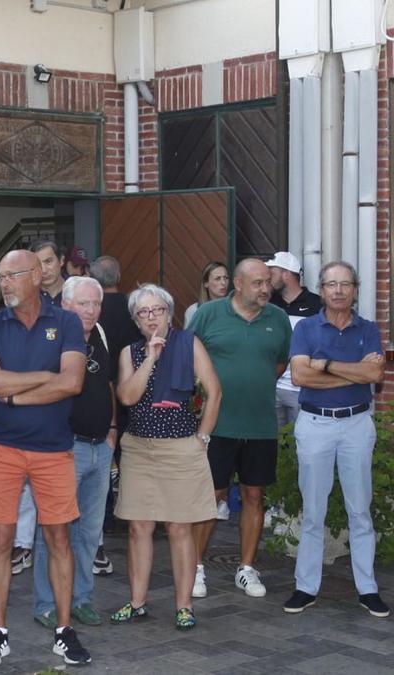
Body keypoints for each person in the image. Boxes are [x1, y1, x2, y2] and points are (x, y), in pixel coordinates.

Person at [0, 249, 90, 668]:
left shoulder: (67, 321)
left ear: (37, 275)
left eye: (12, 275)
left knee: (59, 539)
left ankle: (63, 631)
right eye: (0, 276)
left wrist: (13, 395)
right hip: (1, 447)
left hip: (54, 448)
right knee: (0, 539)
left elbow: (73, 382)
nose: (3, 283)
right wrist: (44, 377)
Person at [111, 283, 221, 630]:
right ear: (136, 321)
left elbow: (214, 392)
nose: (150, 318)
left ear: (169, 312)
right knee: (138, 527)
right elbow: (127, 397)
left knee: (179, 528)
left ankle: (184, 605)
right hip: (140, 449)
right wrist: (152, 358)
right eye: (142, 313)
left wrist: (202, 437)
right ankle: (137, 601)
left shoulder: (190, 344)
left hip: (180, 448)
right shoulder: (130, 353)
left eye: (156, 310)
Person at [283, 261, 389, 618]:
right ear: (322, 289)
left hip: (357, 425)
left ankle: (368, 588)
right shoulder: (306, 328)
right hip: (315, 425)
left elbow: (375, 373)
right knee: (314, 511)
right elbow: (299, 375)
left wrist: (325, 365)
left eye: (345, 284)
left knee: (360, 510)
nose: (339, 291)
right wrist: (354, 372)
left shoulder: (368, 329)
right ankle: (305, 587)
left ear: (355, 289)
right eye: (331, 284)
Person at [188, 259, 290, 600]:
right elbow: (189, 357)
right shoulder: (209, 314)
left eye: (268, 283)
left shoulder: (277, 319)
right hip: (218, 425)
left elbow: (279, 363)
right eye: (258, 283)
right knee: (210, 497)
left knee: (253, 496)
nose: (265, 289)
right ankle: (195, 568)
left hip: (261, 424)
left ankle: (246, 568)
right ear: (238, 283)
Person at [31, 276, 117, 628]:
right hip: (65, 448)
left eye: (95, 304)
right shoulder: (50, 338)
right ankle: (47, 605)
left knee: (89, 533)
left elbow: (107, 385)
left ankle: (80, 599)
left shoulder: (99, 335)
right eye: (84, 304)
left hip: (101, 447)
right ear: (65, 304)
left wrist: (112, 429)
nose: (91, 310)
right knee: (53, 531)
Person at [87, 254, 140, 574]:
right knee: (131, 456)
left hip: (101, 394)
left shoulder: (92, 309)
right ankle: (133, 510)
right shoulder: (134, 308)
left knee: (102, 460)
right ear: (120, 276)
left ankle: (104, 516)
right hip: (133, 389)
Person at [266, 251, 322, 428]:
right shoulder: (268, 304)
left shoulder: (317, 305)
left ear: (286, 274)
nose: (268, 277)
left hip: (303, 389)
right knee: (272, 444)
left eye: (272, 272)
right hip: (272, 387)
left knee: (300, 444)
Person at [183, 261, 230, 326]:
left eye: (226, 278)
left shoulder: (234, 309)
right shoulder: (193, 311)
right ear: (206, 283)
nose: (223, 283)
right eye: (217, 278)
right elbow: (188, 336)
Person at [31, 240, 66, 305]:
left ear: (61, 260)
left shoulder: (80, 289)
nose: (44, 270)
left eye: (48, 261)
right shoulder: (27, 297)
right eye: (38, 264)